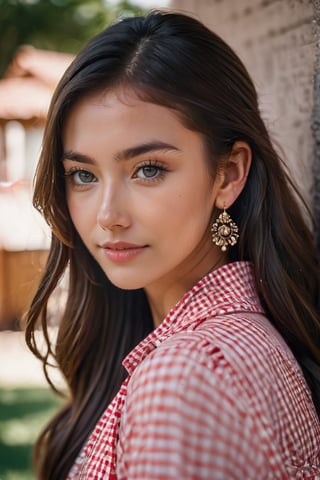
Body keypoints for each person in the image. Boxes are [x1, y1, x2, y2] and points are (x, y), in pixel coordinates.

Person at [25, 9, 320, 480]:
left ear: (228, 174)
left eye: (148, 169)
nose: (108, 216)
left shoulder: (183, 379)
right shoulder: (241, 342)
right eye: (83, 175)